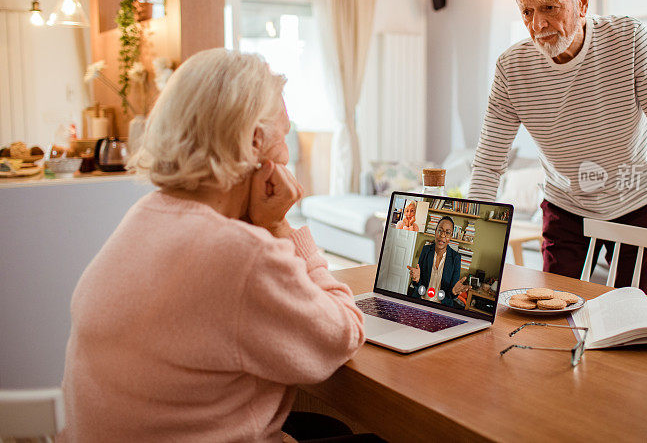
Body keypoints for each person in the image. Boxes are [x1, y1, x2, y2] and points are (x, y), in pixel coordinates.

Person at [59, 49, 365, 442]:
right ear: (256, 142)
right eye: (284, 134)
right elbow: (343, 333)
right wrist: (280, 225)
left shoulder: (145, 214)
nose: (287, 155)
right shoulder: (241, 254)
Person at [469, 0, 647, 294]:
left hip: (639, 201)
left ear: (581, 2)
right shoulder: (511, 68)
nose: (538, 24)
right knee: (554, 311)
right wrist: (471, 229)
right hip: (566, 205)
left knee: (629, 317)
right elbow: (489, 162)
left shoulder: (629, 41)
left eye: (549, 7)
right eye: (527, 12)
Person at [406, 217, 469, 306]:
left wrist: (454, 292)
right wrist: (417, 279)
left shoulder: (456, 258)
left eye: (447, 233)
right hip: (421, 300)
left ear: (451, 236)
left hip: (442, 306)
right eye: (440, 230)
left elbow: (452, 293)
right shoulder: (426, 250)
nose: (443, 236)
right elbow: (418, 283)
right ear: (435, 232)